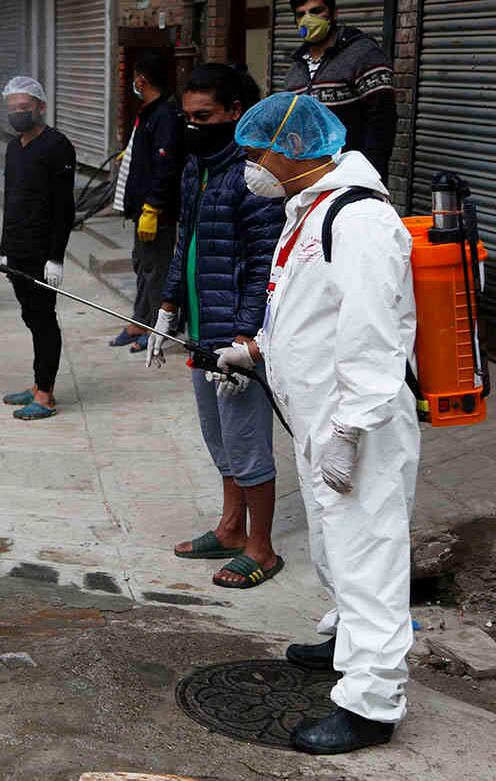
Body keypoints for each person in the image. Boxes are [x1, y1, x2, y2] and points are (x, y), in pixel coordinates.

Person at [226, 92, 418, 754]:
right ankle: (346, 640)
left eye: (255, 153)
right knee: (337, 545)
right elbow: (310, 314)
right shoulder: (310, 211)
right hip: (321, 419)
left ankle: (372, 701)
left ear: (289, 148)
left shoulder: (359, 221)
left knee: (370, 554)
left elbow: (373, 336)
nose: (250, 166)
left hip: (353, 425)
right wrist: (254, 351)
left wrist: (351, 429)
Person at [145, 64, 286, 589]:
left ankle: (262, 547)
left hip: (236, 335)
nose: (192, 126)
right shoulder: (196, 166)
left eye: (203, 117)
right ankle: (230, 528)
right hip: (201, 327)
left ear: (234, 113)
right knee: (218, 436)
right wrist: (167, 306)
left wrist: (250, 337)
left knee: (247, 440)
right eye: (186, 117)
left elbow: (264, 262)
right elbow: (185, 241)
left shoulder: (254, 176)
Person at [0, 76, 75, 420]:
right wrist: (4, 249)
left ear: (41, 107)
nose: (18, 114)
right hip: (18, 248)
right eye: (12, 109)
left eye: (24, 108)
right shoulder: (15, 148)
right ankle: (38, 383)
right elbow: (10, 200)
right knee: (30, 317)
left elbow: (64, 208)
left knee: (43, 320)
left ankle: (45, 396)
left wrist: (56, 258)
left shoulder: (57, 146)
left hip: (42, 250)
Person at [111, 49, 185, 353]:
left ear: (141, 79)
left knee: (157, 268)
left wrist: (154, 206)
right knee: (142, 264)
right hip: (141, 207)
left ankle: (157, 327)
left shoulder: (166, 115)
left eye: (134, 77)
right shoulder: (150, 111)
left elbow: (166, 166)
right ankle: (139, 320)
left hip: (156, 210)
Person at [283, 0, 396, 181]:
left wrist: (369, 175)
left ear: (334, 13)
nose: (308, 19)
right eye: (301, 14)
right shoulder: (296, 68)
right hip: (310, 178)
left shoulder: (362, 54)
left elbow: (382, 119)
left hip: (352, 176)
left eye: (316, 11)